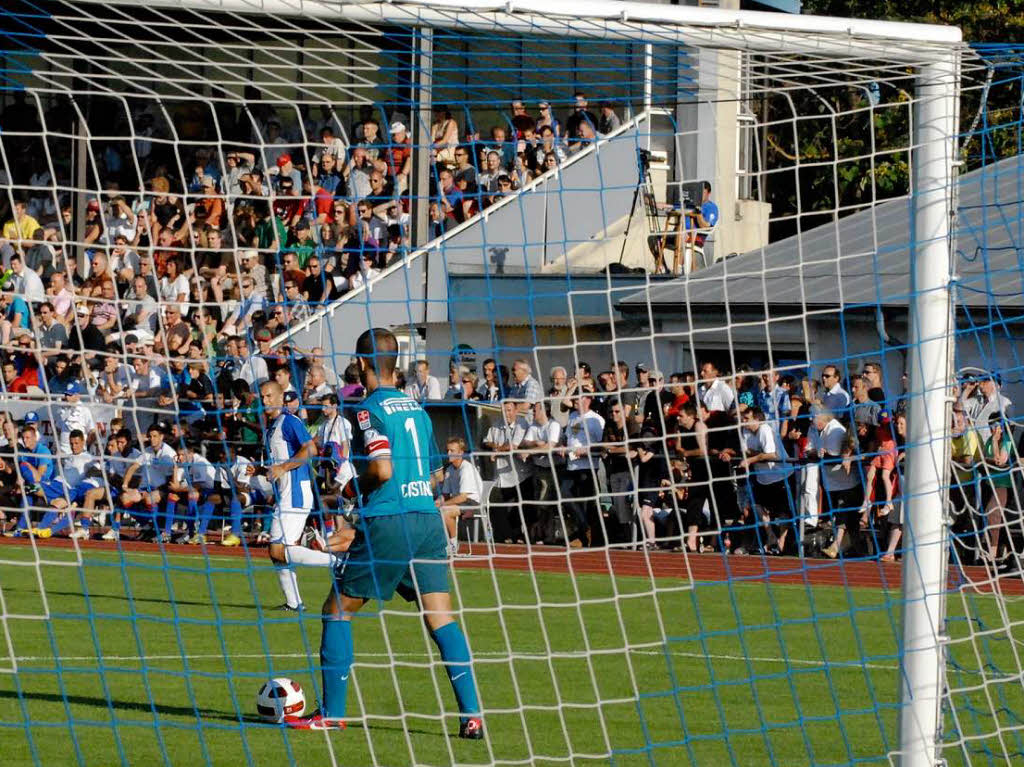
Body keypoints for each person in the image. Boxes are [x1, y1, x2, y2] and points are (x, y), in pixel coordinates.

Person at [287, 327, 482, 738]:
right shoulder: (417, 409)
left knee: (336, 610)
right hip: (427, 521)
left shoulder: (366, 410)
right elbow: (433, 478)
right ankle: (472, 715)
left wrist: (354, 491)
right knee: (441, 619)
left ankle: (333, 715)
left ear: (360, 364)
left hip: (391, 521)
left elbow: (382, 469)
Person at [260, 381, 334, 611]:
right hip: (286, 493)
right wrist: (265, 470)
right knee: (277, 552)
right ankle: (294, 603)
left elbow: (310, 448)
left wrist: (282, 469)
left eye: (270, 396)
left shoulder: (289, 421)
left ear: (282, 397)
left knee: (278, 548)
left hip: (296, 493)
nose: (265, 401)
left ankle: (338, 562)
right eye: (262, 397)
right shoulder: (272, 426)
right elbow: (281, 462)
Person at [438, 436, 484, 556]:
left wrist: (442, 504)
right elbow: (445, 495)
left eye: (452, 451)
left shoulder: (466, 469)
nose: (448, 453)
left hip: (472, 503)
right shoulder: (449, 469)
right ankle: (440, 544)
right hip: (459, 502)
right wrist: (435, 503)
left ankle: (453, 545)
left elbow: (463, 497)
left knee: (445, 511)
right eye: (447, 450)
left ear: (461, 452)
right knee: (433, 510)